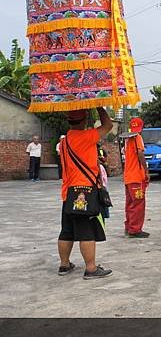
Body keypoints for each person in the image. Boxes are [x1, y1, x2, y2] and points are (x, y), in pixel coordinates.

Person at [57, 107, 113, 279]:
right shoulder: (87, 136)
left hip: (68, 192)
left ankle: (64, 265)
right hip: (85, 192)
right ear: (84, 120)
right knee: (86, 231)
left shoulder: (64, 142)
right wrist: (99, 106)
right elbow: (108, 125)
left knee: (66, 230)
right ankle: (90, 268)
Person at [123, 117, 150, 238]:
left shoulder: (128, 139)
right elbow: (140, 154)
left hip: (128, 177)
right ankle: (135, 229)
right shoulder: (137, 138)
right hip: (136, 177)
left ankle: (129, 227)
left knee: (130, 203)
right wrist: (146, 170)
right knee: (138, 204)